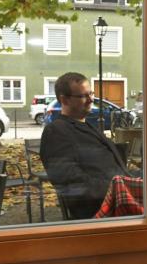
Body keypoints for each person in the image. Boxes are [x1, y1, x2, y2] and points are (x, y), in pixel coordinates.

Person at [40, 72, 131, 219]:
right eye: (83, 96)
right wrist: (118, 189)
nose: (91, 100)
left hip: (122, 199)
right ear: (64, 100)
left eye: (91, 94)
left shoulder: (87, 125)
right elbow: (71, 181)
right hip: (102, 211)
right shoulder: (56, 131)